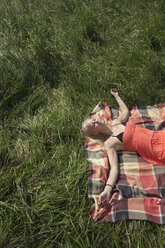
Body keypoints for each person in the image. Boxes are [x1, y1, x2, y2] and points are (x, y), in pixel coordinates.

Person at [82, 89, 165, 208]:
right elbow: (114, 168)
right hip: (154, 148)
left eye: (94, 119)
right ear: (95, 133)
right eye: (93, 125)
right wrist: (107, 190)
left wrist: (116, 96)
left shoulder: (115, 122)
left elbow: (125, 111)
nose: (96, 121)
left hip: (158, 135)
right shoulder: (109, 143)